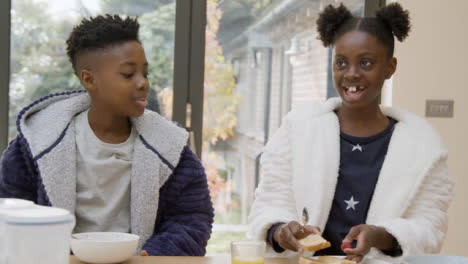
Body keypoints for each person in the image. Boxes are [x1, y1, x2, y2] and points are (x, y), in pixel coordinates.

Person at [248, 3, 453, 263]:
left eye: (366, 63)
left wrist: (381, 235)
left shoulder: (424, 146)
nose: (352, 74)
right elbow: (268, 202)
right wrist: (280, 230)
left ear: (390, 67)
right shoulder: (298, 128)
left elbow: (431, 228)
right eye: (341, 63)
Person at [0, 15, 214, 256]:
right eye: (128, 74)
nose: (143, 83)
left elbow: (192, 218)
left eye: (145, 73)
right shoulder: (36, 143)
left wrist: (153, 255)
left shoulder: (169, 147)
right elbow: (11, 210)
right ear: (89, 79)